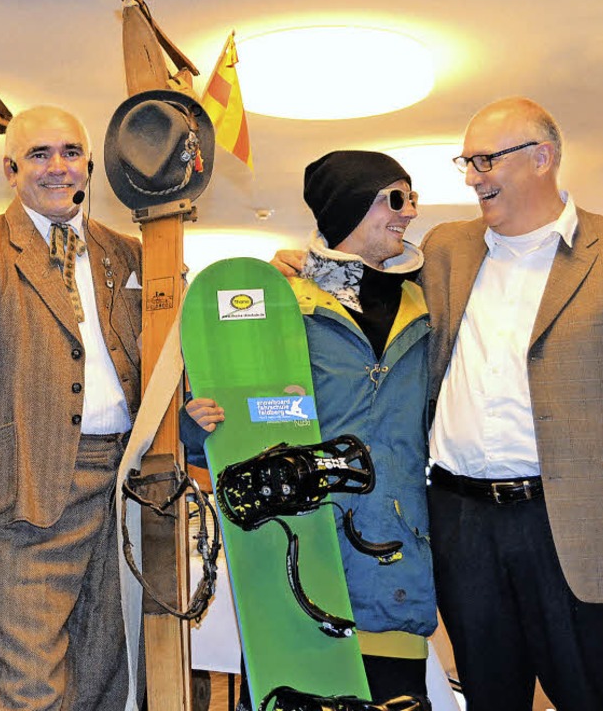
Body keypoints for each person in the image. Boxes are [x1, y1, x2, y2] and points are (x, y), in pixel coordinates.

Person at [272, 98, 603, 709]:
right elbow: (365, 279)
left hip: (571, 520)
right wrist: (298, 269)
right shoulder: (446, 249)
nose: (471, 176)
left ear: (542, 158)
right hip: (460, 520)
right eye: (466, 161)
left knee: (588, 694)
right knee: (488, 695)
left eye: (485, 160)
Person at [184, 150, 436, 704]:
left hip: (396, 557)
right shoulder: (281, 307)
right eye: (396, 198)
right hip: (297, 558)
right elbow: (220, 430)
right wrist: (195, 428)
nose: (411, 212)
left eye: (412, 197)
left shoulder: (427, 303)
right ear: (350, 206)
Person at [0, 105, 142, 710]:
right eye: (39, 155)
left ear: (88, 165)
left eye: (70, 152)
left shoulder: (131, 255)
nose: (57, 166)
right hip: (27, 490)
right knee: (28, 684)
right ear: (11, 170)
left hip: (127, 490)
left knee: (109, 678)